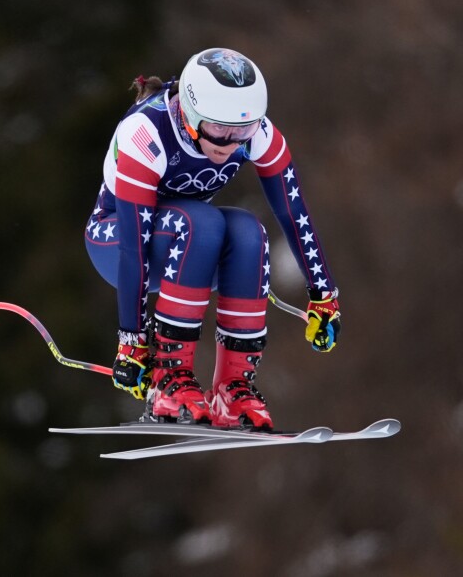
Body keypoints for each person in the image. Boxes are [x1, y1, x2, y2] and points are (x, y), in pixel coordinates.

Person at [85, 48, 340, 430]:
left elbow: (293, 213)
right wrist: (131, 342)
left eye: (242, 132)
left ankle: (233, 389)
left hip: (189, 248)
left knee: (248, 231)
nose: (228, 143)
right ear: (188, 113)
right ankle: (168, 379)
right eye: (218, 129)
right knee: (201, 221)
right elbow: (133, 247)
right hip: (115, 240)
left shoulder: (256, 134)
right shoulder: (146, 133)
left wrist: (324, 295)